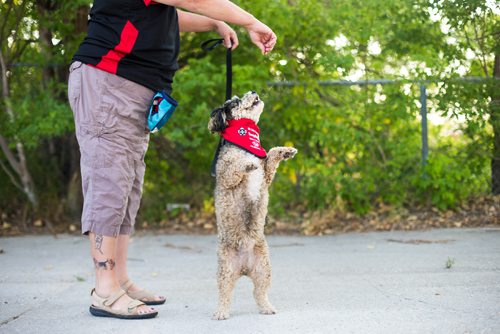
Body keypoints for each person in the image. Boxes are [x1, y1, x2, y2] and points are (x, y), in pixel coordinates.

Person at [67, 0, 277, 319]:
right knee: (108, 184)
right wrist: (250, 21)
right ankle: (105, 289)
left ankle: (119, 279)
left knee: (127, 187)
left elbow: (162, 17)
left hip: (132, 90)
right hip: (109, 82)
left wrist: (214, 23)